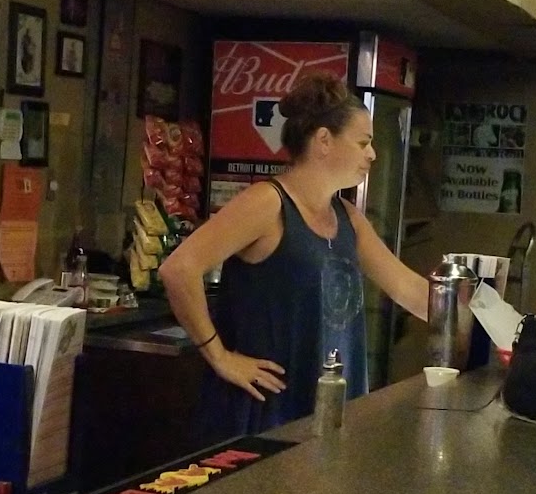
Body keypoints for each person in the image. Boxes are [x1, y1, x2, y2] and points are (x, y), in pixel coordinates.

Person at [161, 73, 429, 437]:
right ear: (324, 141)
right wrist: (220, 357)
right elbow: (179, 269)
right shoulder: (267, 203)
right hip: (264, 411)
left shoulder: (348, 217)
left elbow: (407, 288)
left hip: (329, 409)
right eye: (363, 142)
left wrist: (484, 323)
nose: (372, 154)